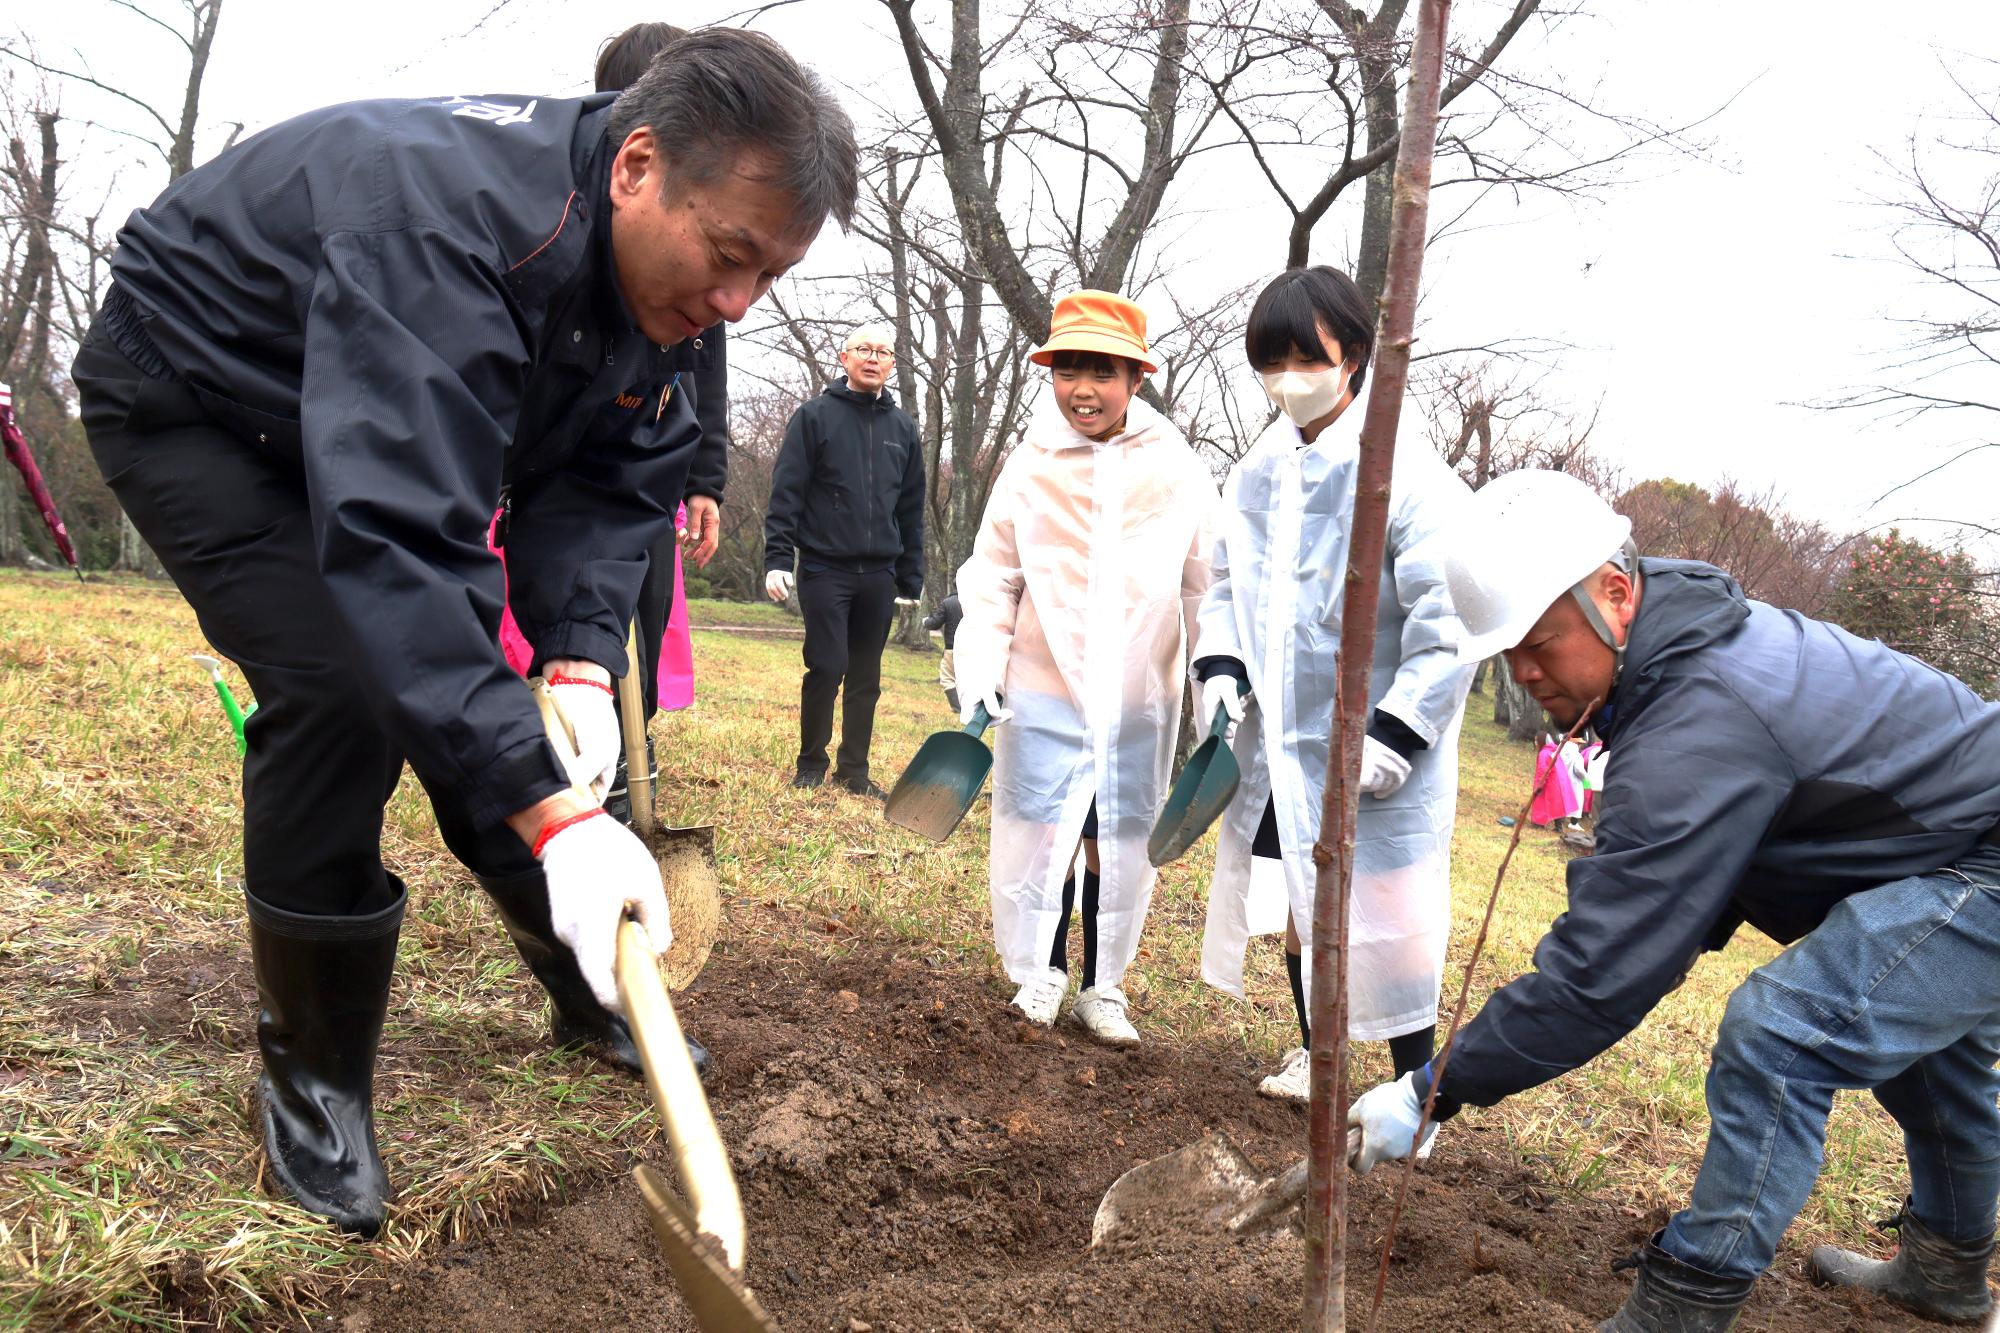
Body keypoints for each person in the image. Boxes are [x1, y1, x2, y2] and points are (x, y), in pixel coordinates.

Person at [71, 31, 857, 1238]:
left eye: (771, 278)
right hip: (203, 401)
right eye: (729, 258)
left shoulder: (672, 284)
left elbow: (607, 491)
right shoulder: (441, 230)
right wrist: (553, 814)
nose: (733, 305)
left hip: (364, 421)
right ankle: (316, 1085)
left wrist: (583, 655)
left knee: (508, 708)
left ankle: (588, 975)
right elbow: (399, 538)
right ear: (636, 166)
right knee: (342, 684)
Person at [1346, 469, 2000, 1332]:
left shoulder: (1704, 713)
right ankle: (1948, 1272)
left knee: (1783, 1032)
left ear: (1616, 593)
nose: (1525, 671)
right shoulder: (1684, 662)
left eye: (1539, 642)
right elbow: (1683, 898)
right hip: (1945, 851)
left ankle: (1681, 1308)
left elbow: (1603, 972)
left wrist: (1434, 1084)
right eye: (1508, 652)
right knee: (1924, 1052)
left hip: (1982, 862)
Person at [1193, 266, 1472, 1103]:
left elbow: (1448, 618)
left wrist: (1396, 732)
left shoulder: (1406, 474)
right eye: (1269, 363)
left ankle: (1409, 1088)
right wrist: (1221, 667)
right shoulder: (1258, 472)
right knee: (1297, 902)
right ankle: (1321, 1060)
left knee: (1391, 923)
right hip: (1283, 736)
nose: (1287, 380)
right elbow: (1224, 586)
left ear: (1352, 354)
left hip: (1376, 740)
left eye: (1303, 358)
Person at [953, 289, 1218, 1046]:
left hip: (1138, 694)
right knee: (1046, 832)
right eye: (1067, 369)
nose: (1082, 389)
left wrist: (1216, 677)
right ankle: (1046, 967)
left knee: (1117, 834)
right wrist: (980, 662)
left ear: (1136, 377)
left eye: (1100, 370)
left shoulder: (1175, 467)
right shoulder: (1032, 462)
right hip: (1045, 685)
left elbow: (1205, 582)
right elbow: (995, 574)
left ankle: (1105, 985)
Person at [762, 323, 925, 796]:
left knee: (865, 677)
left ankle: (854, 772)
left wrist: (910, 577)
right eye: (864, 350)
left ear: (892, 364)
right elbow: (786, 492)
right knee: (828, 665)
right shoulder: (814, 417)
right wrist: (777, 558)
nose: (873, 358)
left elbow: (911, 507)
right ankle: (811, 763)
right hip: (824, 567)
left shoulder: (903, 428)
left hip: (879, 573)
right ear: (844, 357)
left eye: (883, 352)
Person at [921, 591, 963, 714]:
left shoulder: (948, 602)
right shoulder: (978, 601)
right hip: (974, 649)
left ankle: (958, 708)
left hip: (952, 647)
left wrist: (925, 621)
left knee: (947, 678)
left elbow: (934, 624)